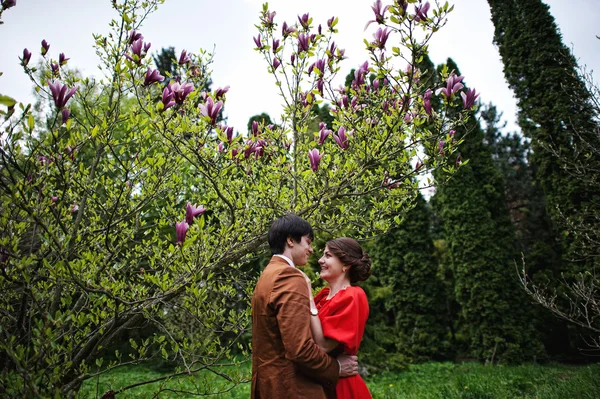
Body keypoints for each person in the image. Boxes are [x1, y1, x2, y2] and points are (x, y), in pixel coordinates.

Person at [251, 214, 359, 399]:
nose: (310, 250)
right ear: (291, 241)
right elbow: (300, 349)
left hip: (268, 384)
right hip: (292, 389)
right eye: (307, 242)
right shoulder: (289, 277)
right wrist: (337, 367)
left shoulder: (268, 274)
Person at [304, 237, 373, 399]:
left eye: (328, 256)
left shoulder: (353, 296)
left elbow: (323, 346)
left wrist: (307, 297)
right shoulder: (324, 296)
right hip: (321, 382)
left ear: (346, 265)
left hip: (341, 388)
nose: (320, 260)